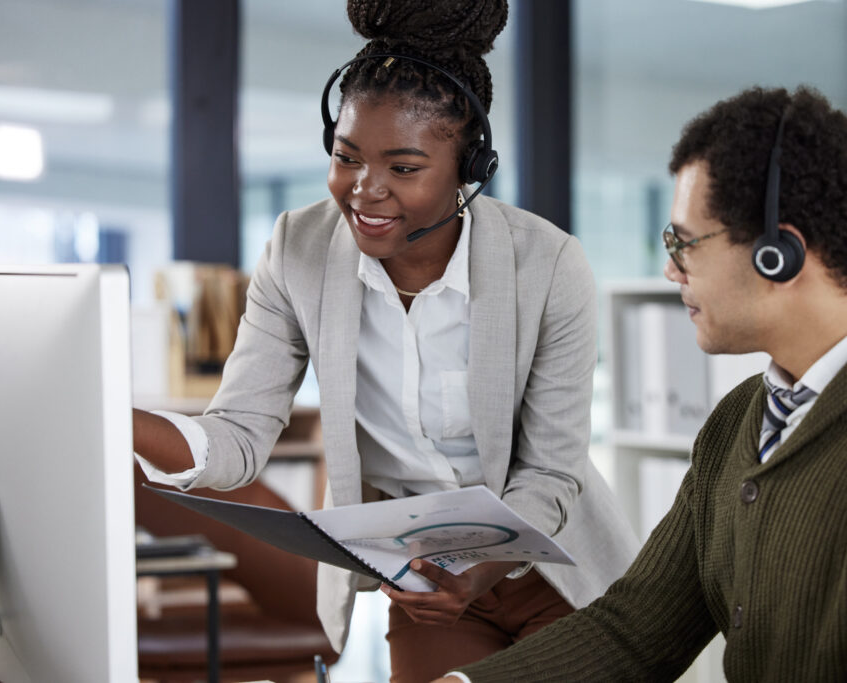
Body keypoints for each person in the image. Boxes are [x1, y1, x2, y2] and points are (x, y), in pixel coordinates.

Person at [131, 1, 639, 681]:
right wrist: (116, 416)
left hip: (554, 567)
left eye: (404, 168)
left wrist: (478, 567)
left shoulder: (546, 263)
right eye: (346, 158)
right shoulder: (298, 249)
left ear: (468, 169)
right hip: (428, 581)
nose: (365, 191)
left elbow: (550, 471)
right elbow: (238, 436)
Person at [436, 85, 847, 682]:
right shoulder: (744, 417)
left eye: (684, 242)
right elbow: (636, 631)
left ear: (779, 253)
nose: (670, 268)